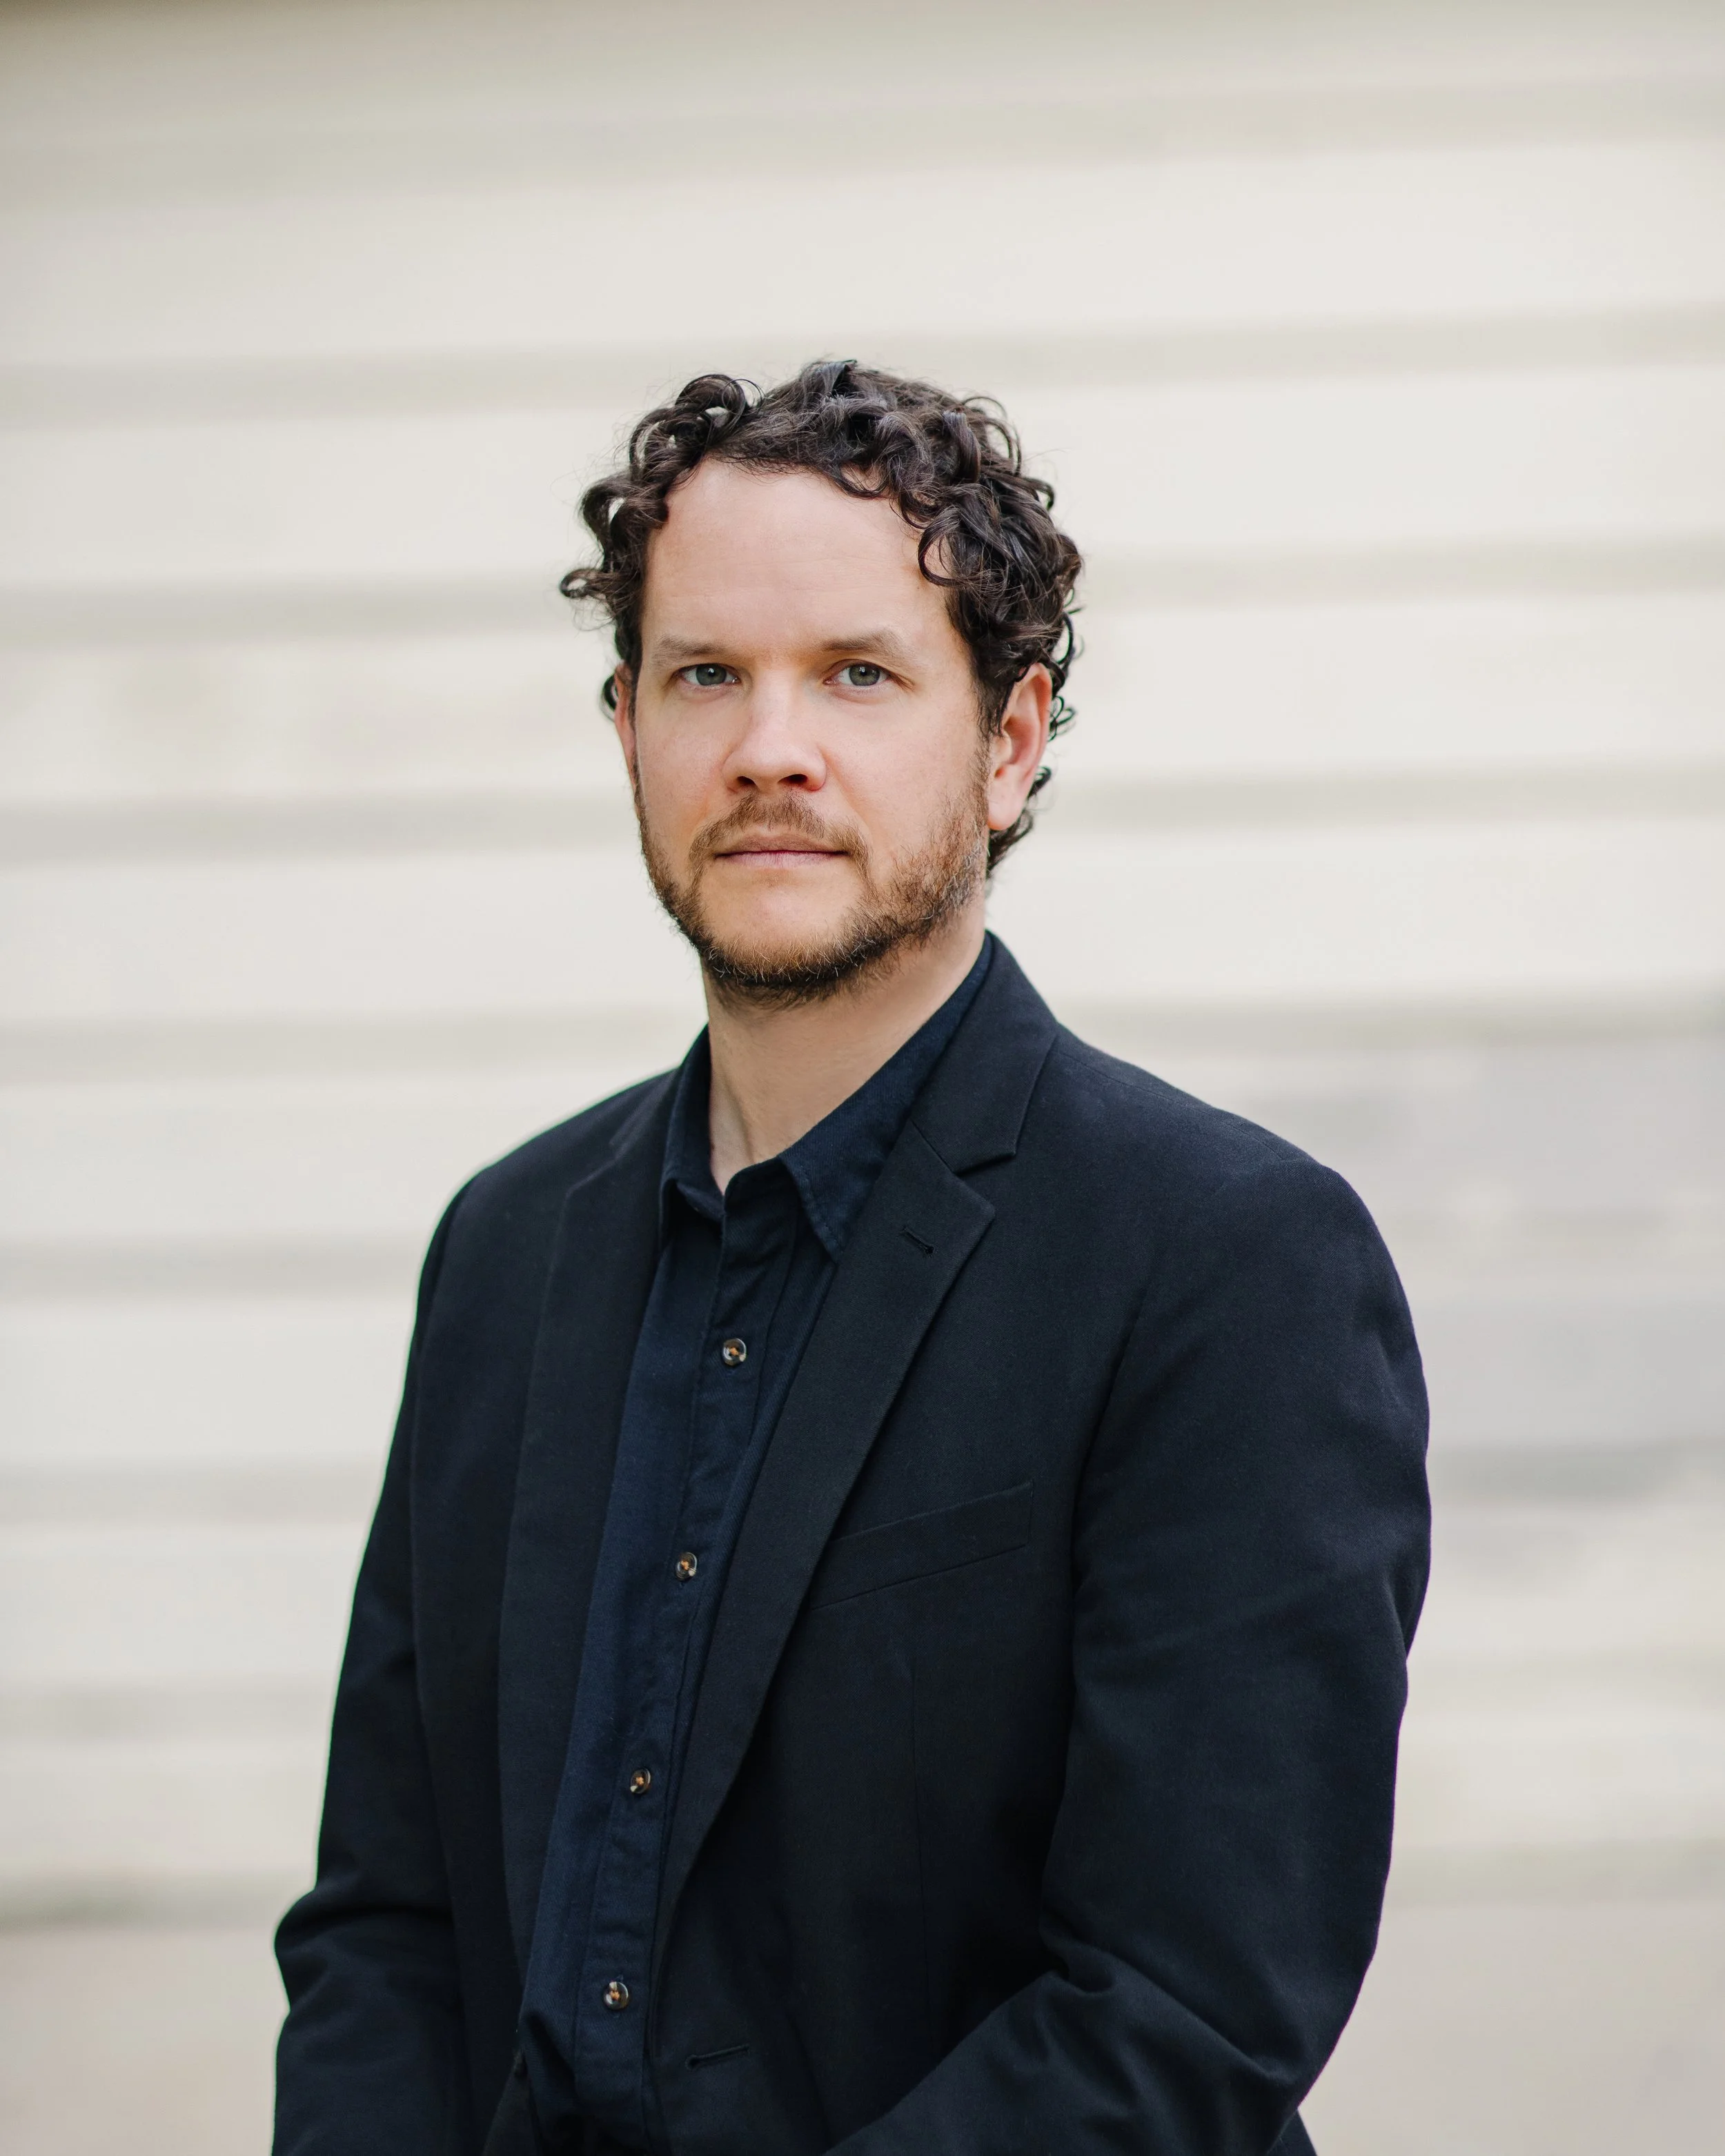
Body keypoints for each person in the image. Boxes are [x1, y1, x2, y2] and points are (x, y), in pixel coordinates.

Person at [273, 360, 1430, 2156]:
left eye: (859, 674)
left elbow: (1180, 2012)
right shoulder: (505, 1247)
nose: (767, 748)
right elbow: (387, 1921)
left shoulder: (1227, 1261)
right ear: (627, 726)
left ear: (1011, 738)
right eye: (705, 673)